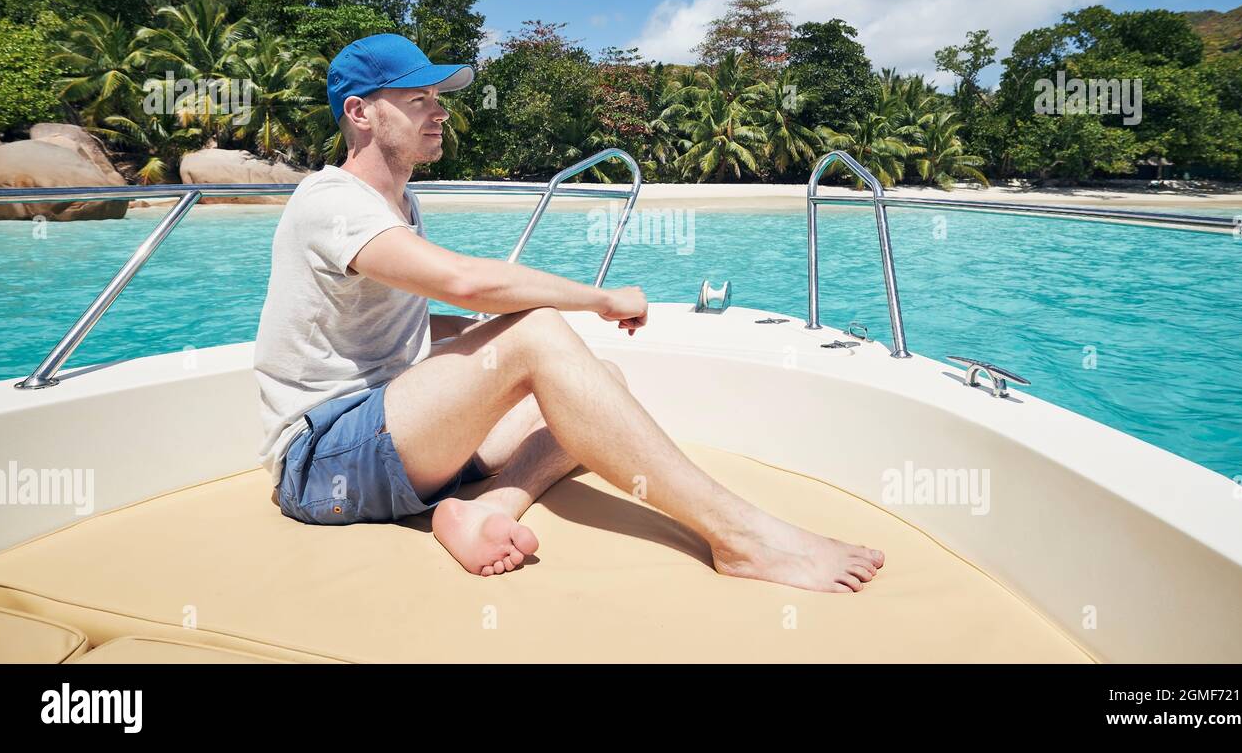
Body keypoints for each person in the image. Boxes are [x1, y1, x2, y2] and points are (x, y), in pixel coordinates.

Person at [253, 33, 883, 592]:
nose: (439, 111)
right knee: (536, 333)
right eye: (418, 99)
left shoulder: (399, 203)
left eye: (438, 98)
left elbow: (412, 323)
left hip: (396, 436)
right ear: (360, 113)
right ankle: (741, 538)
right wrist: (598, 299)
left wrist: (499, 355)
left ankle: (489, 507)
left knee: (596, 381)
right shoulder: (331, 203)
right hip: (323, 460)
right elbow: (462, 282)